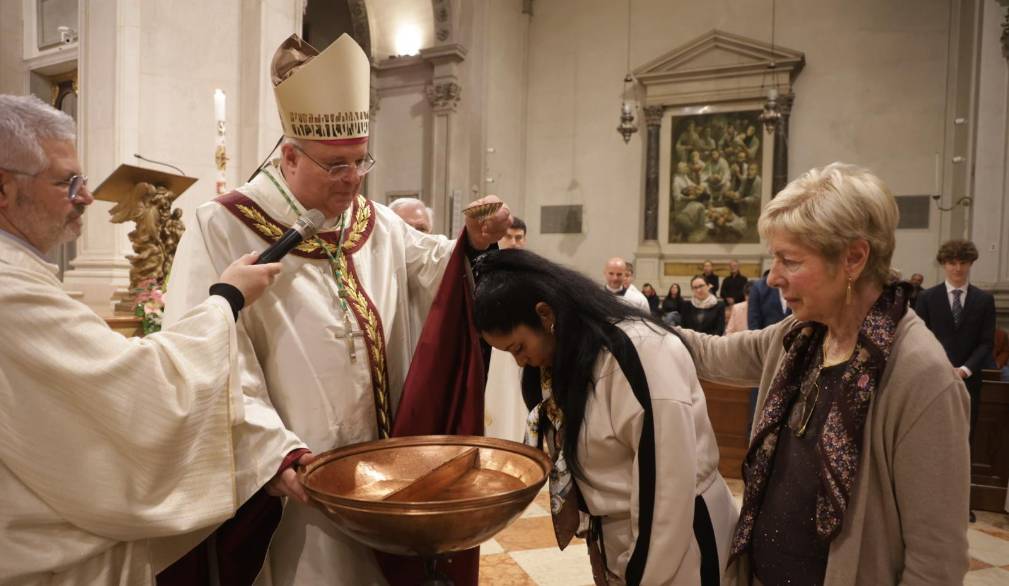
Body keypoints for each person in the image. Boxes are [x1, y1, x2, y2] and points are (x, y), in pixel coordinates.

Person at [163, 34, 511, 585]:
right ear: (290, 155)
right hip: (297, 478)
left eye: (360, 161)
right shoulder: (224, 226)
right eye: (335, 166)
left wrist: (473, 239)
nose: (352, 179)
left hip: (385, 472)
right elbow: (203, 351)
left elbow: (442, 274)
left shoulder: (377, 223)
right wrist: (272, 452)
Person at [0, 94, 295, 583]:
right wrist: (226, 300)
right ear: (4, 191)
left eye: (84, 180)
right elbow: (138, 393)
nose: (87, 198)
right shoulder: (10, 289)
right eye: (67, 182)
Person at [677, 163, 970, 585]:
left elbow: (936, 563)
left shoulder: (920, 376)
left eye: (789, 261)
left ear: (853, 257)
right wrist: (624, 324)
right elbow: (709, 353)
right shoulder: (802, 336)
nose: (774, 277)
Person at [473, 249, 738, 585]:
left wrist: (641, 574)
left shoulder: (638, 351)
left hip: (678, 540)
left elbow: (667, 487)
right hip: (623, 533)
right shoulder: (568, 351)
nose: (520, 362)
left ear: (544, 315)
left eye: (518, 347)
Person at [915, 239, 995, 523]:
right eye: (952, 262)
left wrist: (964, 369)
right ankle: (930, 503)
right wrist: (942, 367)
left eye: (963, 262)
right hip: (933, 381)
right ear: (944, 264)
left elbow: (986, 343)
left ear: (971, 264)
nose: (957, 268)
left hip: (968, 382)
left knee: (964, 443)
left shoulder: (984, 300)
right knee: (931, 442)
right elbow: (920, 339)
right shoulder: (926, 298)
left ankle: (960, 505)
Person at [485, 215, 530, 442]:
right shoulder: (486, 268)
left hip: (525, 347)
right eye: (508, 237)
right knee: (497, 399)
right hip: (494, 348)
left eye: (518, 237)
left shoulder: (533, 272)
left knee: (518, 402)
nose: (513, 242)